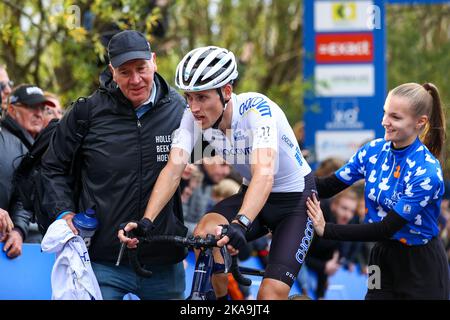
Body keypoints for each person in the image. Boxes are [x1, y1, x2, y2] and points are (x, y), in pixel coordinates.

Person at [119, 46, 315, 300]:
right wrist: (147, 221)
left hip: (295, 202)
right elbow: (172, 171)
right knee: (205, 233)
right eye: (189, 97)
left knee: (269, 295)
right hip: (254, 195)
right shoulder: (192, 118)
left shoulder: (257, 111)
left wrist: (241, 223)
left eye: (201, 97)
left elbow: (265, 174)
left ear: (226, 92)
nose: (194, 107)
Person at [40, 30, 187, 300]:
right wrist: (64, 212)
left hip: (164, 260)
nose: (135, 80)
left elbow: (211, 158)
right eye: (124, 71)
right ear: (112, 71)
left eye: (142, 69)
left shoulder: (180, 109)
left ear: (154, 61)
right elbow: (52, 167)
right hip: (102, 261)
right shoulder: (87, 112)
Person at [307, 82, 450, 299]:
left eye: (395, 117)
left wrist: (327, 229)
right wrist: (275, 181)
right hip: (380, 257)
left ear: (420, 122)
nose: (385, 122)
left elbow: (385, 228)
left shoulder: (427, 172)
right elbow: (328, 186)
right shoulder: (373, 151)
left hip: (421, 267)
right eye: (385, 113)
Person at [0, 84, 55, 257]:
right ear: (11, 109)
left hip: (14, 249)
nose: (39, 113)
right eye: (31, 107)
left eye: (42, 108)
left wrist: (18, 230)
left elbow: (22, 197)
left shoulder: (35, 149)